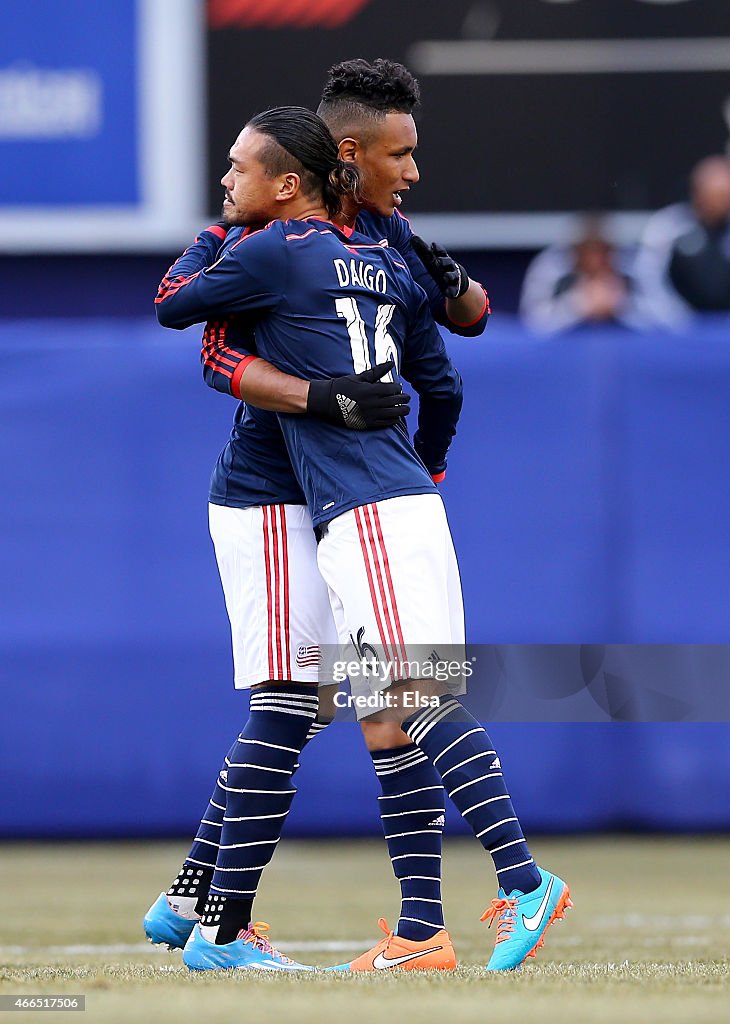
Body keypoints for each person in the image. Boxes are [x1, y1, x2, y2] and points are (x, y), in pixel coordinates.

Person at [156, 105, 570, 974]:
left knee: (385, 703)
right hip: (284, 497)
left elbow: (454, 344)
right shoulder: (374, 253)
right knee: (318, 701)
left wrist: (411, 467)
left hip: (362, 505)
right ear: (346, 157)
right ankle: (210, 907)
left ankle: (431, 921)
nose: (412, 172)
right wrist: (339, 410)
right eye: (401, 155)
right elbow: (216, 356)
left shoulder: (377, 245)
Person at [634, 155, 730, 325]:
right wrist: (681, 322)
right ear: (697, 192)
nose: (722, 202)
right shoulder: (668, 226)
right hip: (681, 328)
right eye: (717, 195)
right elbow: (648, 280)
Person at [520, 215, 654, 334]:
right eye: (588, 251)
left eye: (603, 251)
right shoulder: (551, 266)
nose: (596, 259)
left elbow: (661, 321)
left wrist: (620, 305)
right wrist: (578, 304)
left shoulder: (631, 269)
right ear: (576, 251)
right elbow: (532, 323)